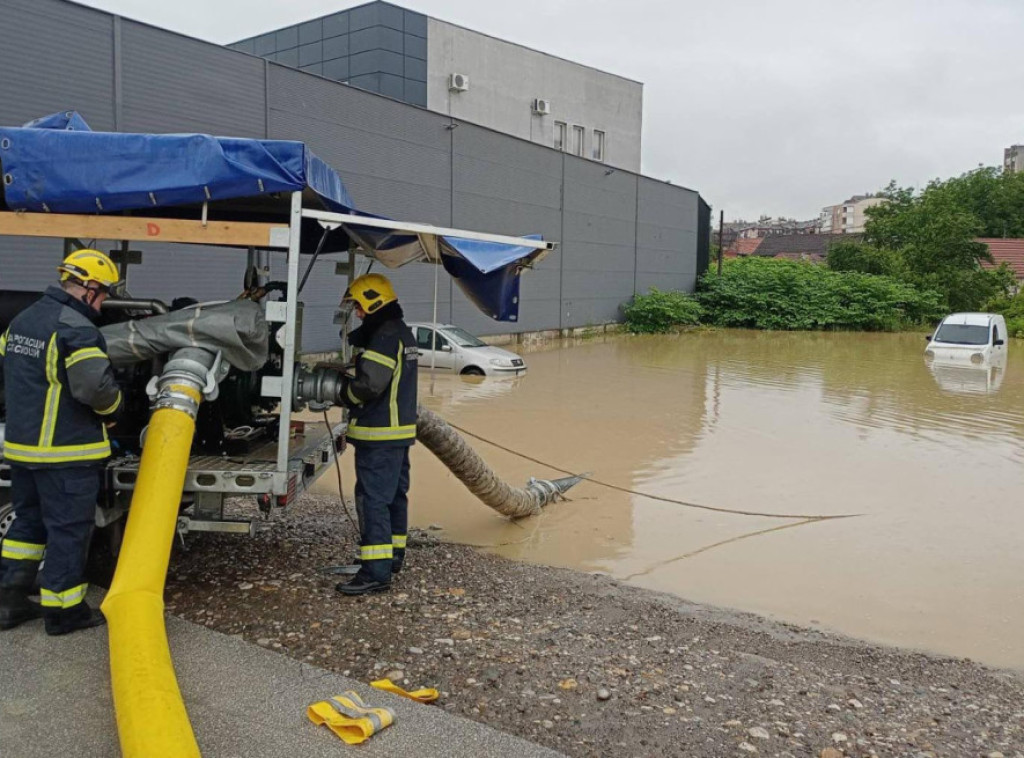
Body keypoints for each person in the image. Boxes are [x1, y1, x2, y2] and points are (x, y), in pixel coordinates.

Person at [0, 249, 124, 635]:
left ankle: (8, 603)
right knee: (68, 530)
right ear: (88, 288)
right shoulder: (76, 329)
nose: (103, 302)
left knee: (28, 524)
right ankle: (64, 612)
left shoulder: (22, 321)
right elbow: (95, 388)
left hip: (21, 448)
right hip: (65, 453)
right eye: (103, 293)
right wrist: (116, 411)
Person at [336, 273, 418, 596]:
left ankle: (375, 571)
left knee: (373, 501)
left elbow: (370, 385)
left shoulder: (384, 336)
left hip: (379, 435)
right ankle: (393, 556)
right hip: (397, 435)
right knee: (394, 497)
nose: (357, 313)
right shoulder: (401, 333)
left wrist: (344, 394)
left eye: (359, 306)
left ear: (374, 302)